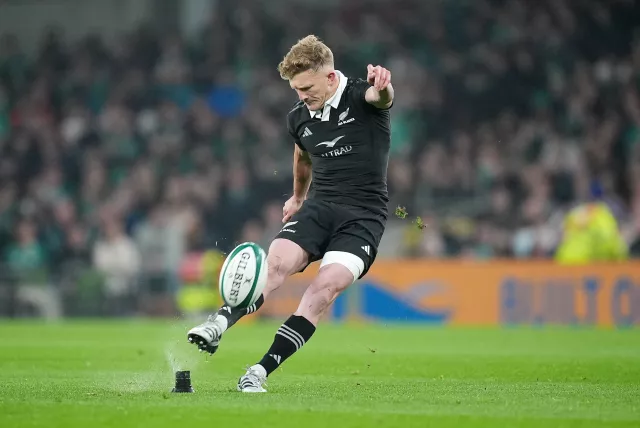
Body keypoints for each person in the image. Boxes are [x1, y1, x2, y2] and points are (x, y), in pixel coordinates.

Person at [187, 35, 394, 392]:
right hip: (319, 207)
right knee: (276, 265)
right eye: (296, 89)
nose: (301, 95)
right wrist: (298, 198)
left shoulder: (363, 95)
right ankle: (218, 324)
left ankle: (258, 371)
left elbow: (383, 98)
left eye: (307, 87)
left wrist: (385, 86)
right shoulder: (298, 117)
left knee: (322, 290)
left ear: (330, 78)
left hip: (363, 217)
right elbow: (302, 155)